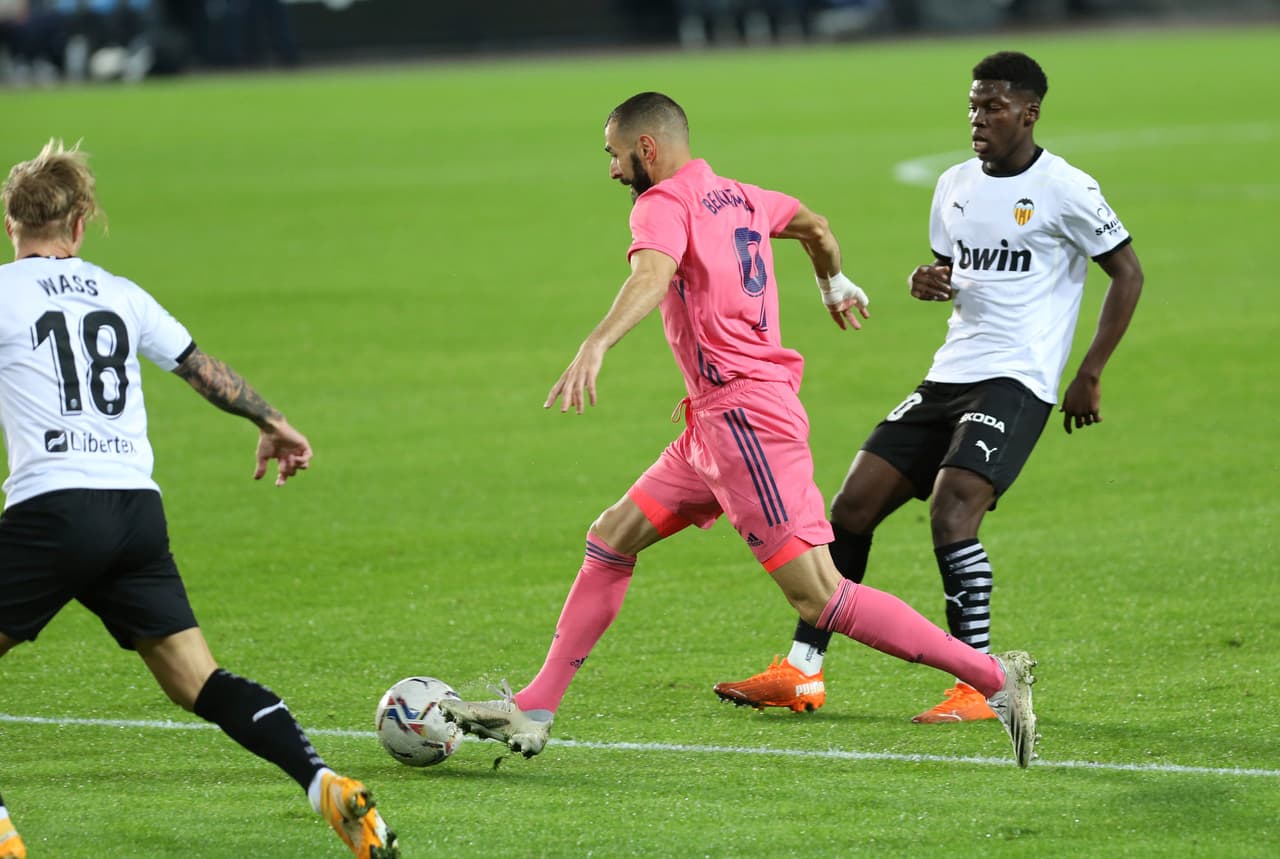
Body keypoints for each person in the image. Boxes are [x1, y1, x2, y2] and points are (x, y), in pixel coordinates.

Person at [438, 92, 1039, 768]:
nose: (610, 170)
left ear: (646, 149)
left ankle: (993, 677)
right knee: (611, 537)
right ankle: (538, 703)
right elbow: (814, 224)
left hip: (746, 424)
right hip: (711, 426)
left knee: (823, 594)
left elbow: (652, 271)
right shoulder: (740, 196)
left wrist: (598, 342)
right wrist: (833, 281)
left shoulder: (660, 204)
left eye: (612, 155)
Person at [713, 51, 1143, 722]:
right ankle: (802, 671)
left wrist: (1089, 372)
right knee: (847, 510)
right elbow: (954, 268)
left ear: (1029, 113)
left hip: (1018, 379)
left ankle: (979, 682)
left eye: (993, 106)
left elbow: (1128, 272)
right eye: (973, 104)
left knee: (952, 512)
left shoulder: (1067, 189)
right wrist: (926, 280)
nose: (978, 117)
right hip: (949, 373)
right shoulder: (953, 185)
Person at [0, 141, 397, 859]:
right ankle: (323, 782)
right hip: (133, 512)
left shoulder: (4, 292)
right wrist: (271, 422)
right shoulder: (120, 292)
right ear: (80, 223)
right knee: (199, 680)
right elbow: (199, 368)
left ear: (11, 225)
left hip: (53, 507)